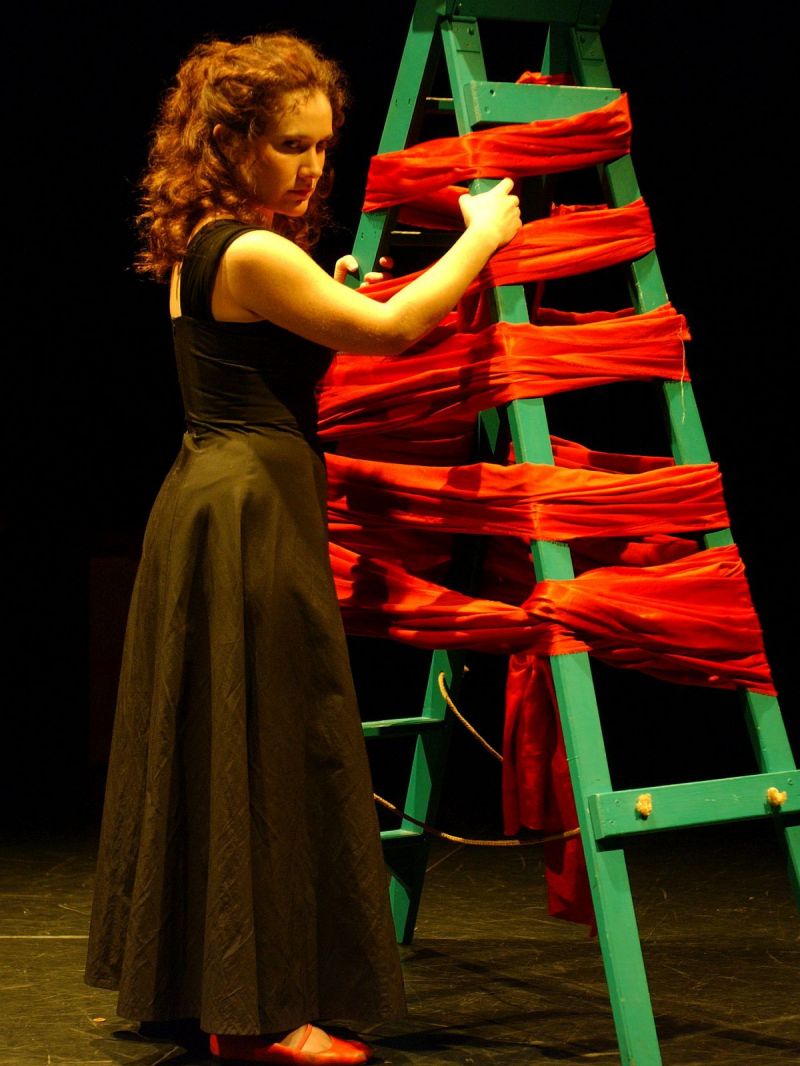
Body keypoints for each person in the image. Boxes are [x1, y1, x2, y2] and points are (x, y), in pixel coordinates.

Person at [84, 30, 521, 1066]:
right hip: (247, 507)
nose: (314, 165)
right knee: (263, 742)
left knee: (233, 742)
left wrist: (322, 285)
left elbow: (283, 339)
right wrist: (482, 234)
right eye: (290, 145)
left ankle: (231, 998)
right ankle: (258, 1017)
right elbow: (393, 330)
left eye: (323, 146)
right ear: (228, 144)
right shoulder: (250, 250)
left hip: (217, 497)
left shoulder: (221, 245)